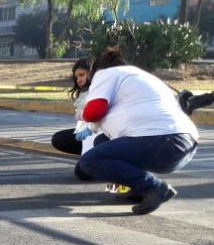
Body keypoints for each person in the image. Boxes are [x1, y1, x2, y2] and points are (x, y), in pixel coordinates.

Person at [76, 47, 200, 215]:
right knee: (102, 142)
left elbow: (94, 112)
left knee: (88, 161)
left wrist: (82, 112)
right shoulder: (141, 76)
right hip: (184, 145)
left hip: (159, 140)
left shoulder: (104, 74)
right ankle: (138, 188)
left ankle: (154, 187)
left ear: (95, 71)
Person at [50, 58, 97, 180]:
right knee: (59, 139)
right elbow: (83, 123)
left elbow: (96, 120)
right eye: (77, 77)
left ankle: (100, 159)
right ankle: (89, 157)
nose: (79, 80)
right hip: (89, 134)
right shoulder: (83, 93)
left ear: (92, 73)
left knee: (82, 172)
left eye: (82, 75)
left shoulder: (99, 91)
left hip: (102, 135)